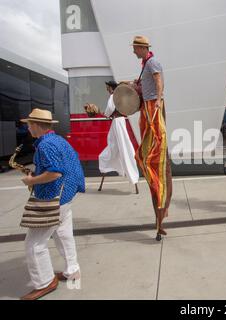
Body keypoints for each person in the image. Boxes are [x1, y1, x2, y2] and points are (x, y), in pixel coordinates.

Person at [19, 108, 85, 300]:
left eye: (29, 124)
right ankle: (72, 270)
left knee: (33, 243)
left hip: (54, 197)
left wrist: (32, 181)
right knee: (63, 234)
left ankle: (44, 282)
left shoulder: (46, 145)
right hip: (67, 195)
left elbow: (55, 172)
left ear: (37, 125)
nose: (28, 128)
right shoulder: (58, 140)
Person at [132, 36, 172, 240]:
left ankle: (160, 213)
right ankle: (159, 217)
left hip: (152, 108)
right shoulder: (145, 64)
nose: (133, 52)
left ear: (142, 48)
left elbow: (159, 80)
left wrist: (157, 101)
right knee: (145, 157)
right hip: (147, 108)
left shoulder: (152, 62)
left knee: (153, 156)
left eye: (135, 48)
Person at [98, 80, 139, 188]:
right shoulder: (118, 95)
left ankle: (131, 173)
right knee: (118, 145)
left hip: (117, 121)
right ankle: (129, 172)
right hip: (119, 121)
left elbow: (110, 109)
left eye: (107, 88)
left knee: (123, 146)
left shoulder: (113, 96)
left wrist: (105, 114)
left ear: (111, 88)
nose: (107, 90)